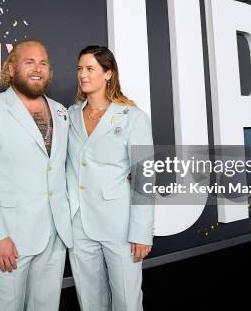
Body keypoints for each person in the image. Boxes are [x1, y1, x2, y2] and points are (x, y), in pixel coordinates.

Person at [0, 40, 73, 311]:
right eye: (29, 62)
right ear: (11, 69)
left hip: (55, 234)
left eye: (43, 63)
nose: (38, 68)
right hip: (10, 237)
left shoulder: (61, 111)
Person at [66, 45, 154, 311]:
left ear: (108, 74)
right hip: (78, 223)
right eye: (80, 68)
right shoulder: (68, 116)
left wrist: (142, 233)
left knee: (127, 301)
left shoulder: (133, 118)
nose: (83, 74)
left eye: (90, 68)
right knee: (90, 301)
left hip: (120, 225)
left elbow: (144, 177)